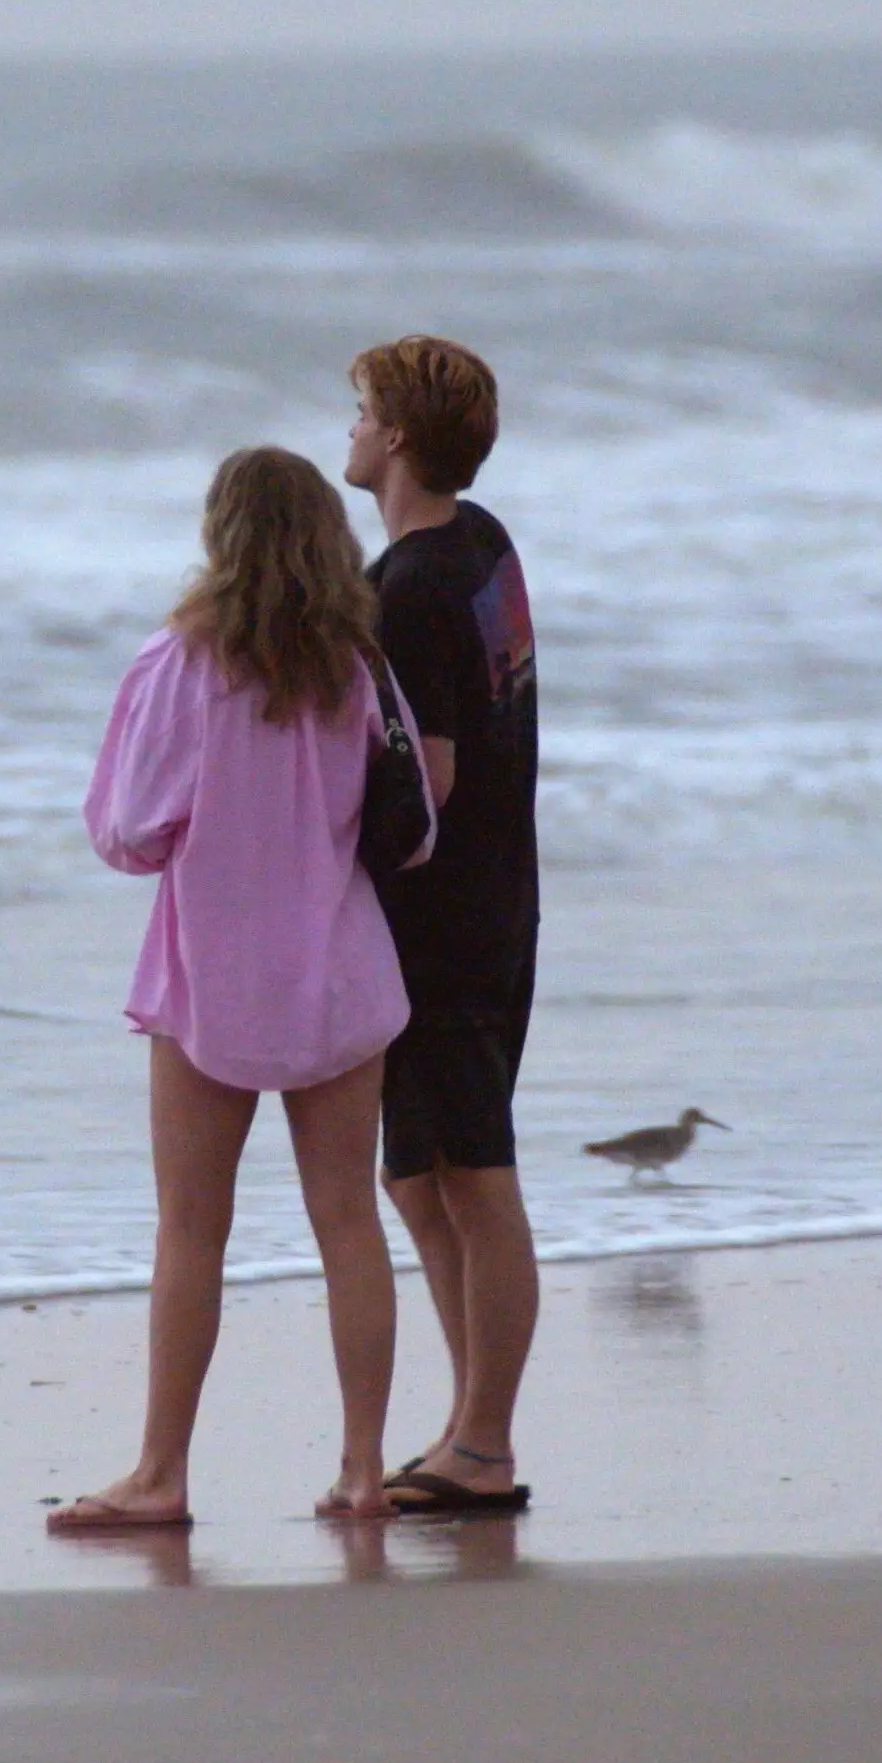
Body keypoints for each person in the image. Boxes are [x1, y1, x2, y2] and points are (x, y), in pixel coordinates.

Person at [50, 447, 413, 1529]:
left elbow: (132, 830)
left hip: (212, 971)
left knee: (191, 1231)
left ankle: (162, 1473)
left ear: (222, 536)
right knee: (348, 1218)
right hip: (340, 967)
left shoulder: (180, 662)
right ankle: (362, 1470)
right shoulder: (358, 667)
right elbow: (410, 825)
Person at [342, 335, 542, 1516]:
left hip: (447, 923)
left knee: (471, 1174)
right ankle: (468, 1425)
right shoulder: (483, 544)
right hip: (495, 899)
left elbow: (432, 780)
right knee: (415, 1177)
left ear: (401, 435)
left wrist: (323, 862)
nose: (351, 430)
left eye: (361, 410)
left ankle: (486, 1443)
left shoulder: (411, 585)